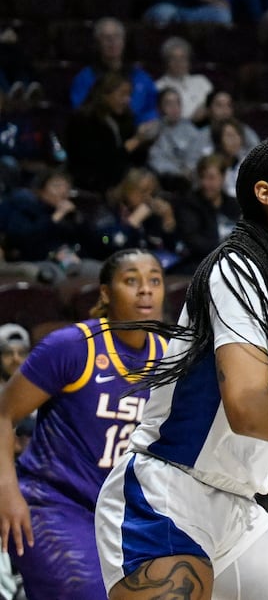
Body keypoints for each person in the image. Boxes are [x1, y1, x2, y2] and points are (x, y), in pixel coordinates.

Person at [92, 135, 268, 600]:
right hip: (166, 497)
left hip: (239, 509)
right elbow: (248, 410)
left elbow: (265, 421)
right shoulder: (239, 267)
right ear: (266, 192)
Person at [0, 249, 166, 600]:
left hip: (129, 513)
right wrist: (7, 491)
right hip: (54, 505)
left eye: (154, 280)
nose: (145, 290)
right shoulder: (72, 346)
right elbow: (3, 414)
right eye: (131, 280)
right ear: (105, 293)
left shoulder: (170, 356)